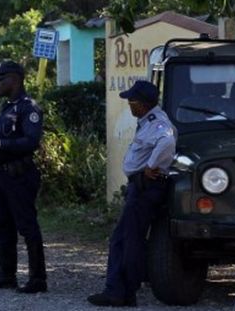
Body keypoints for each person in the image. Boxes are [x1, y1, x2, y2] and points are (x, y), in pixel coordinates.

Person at [88, 80, 176, 307]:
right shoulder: (148, 121)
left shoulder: (157, 123)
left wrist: (151, 165)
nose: (129, 105)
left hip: (146, 188)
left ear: (143, 104)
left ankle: (119, 291)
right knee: (128, 238)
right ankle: (124, 291)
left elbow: (167, 141)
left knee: (126, 239)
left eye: (132, 101)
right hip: (142, 186)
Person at [0, 60, 48, 294]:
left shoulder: (29, 108)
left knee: (27, 226)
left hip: (19, 175)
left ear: (14, 80)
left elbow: (31, 141)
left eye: (0, 79)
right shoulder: (8, 107)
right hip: (1, 175)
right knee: (4, 225)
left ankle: (37, 279)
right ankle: (7, 275)